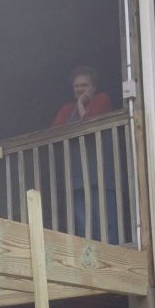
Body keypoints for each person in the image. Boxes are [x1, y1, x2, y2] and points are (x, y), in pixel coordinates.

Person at [51, 65, 117, 241]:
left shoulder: (102, 99)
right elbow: (55, 130)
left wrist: (81, 105)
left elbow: (88, 123)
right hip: (77, 177)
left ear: (93, 87)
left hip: (101, 175)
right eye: (76, 86)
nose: (79, 89)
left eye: (84, 85)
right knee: (83, 225)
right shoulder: (67, 108)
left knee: (107, 222)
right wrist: (77, 106)